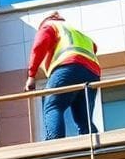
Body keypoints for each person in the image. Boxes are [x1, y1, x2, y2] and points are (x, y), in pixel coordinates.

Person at [24, 12, 102, 140]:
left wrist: (31, 75)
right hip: (92, 73)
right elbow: (94, 47)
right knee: (84, 117)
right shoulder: (78, 32)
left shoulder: (49, 26)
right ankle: (92, 143)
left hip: (68, 67)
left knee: (53, 106)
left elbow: (39, 47)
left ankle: (55, 142)